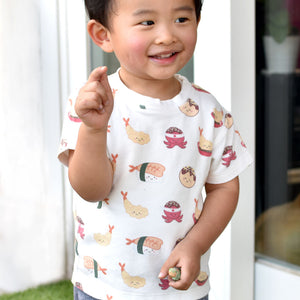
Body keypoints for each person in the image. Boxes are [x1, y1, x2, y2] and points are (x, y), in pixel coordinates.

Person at [58, 0, 253, 299]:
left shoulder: (209, 113)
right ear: (103, 35)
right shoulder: (90, 105)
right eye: (147, 23)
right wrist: (94, 130)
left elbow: (224, 189)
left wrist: (195, 245)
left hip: (181, 286)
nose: (166, 36)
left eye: (181, 19)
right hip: (104, 286)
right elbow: (91, 190)